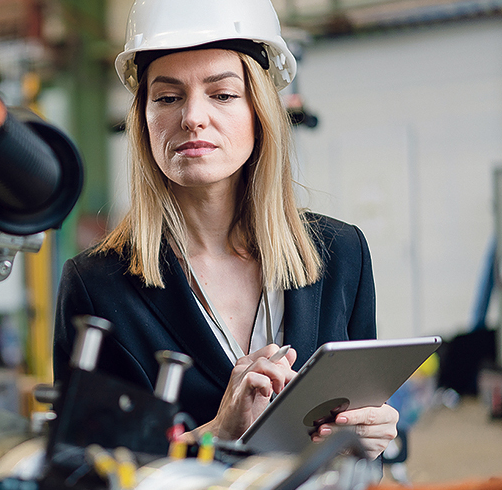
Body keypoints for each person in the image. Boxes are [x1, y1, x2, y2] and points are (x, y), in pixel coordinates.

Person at [52, 0, 398, 460]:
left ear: (260, 111)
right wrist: (216, 433)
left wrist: (370, 439)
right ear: (144, 120)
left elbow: (358, 432)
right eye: (168, 97)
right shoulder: (98, 286)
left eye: (222, 94)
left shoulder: (340, 254)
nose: (193, 117)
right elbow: (82, 470)